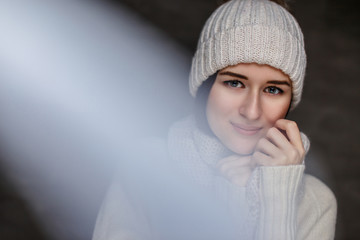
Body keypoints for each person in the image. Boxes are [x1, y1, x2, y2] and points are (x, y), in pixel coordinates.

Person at [93, 0, 337, 239]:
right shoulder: (146, 168)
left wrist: (278, 195)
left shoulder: (316, 202)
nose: (251, 112)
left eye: (273, 90)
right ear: (204, 85)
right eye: (234, 83)